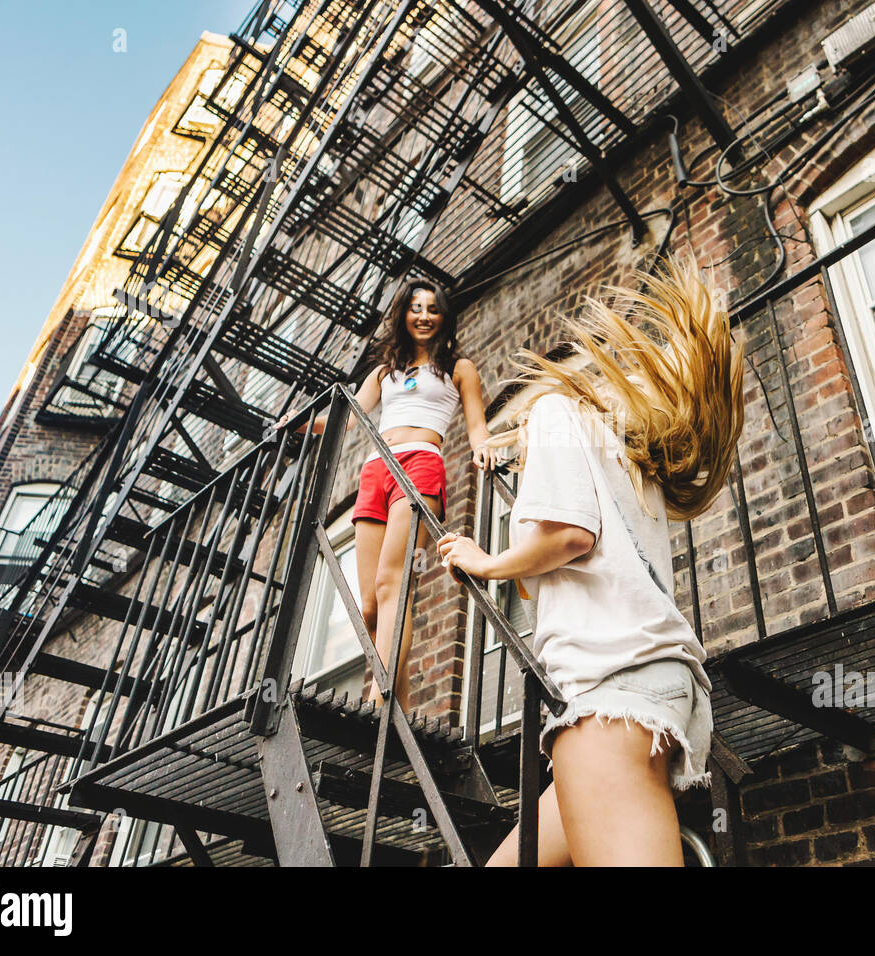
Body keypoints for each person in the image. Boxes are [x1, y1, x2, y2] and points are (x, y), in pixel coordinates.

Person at [437, 255, 745, 866]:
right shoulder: (634, 460)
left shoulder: (553, 413)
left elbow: (571, 536)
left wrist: (487, 561)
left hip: (610, 695)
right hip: (651, 688)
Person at [290, 279, 497, 709]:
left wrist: (483, 447)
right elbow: (346, 417)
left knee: (393, 584)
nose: (424, 316)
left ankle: (378, 701)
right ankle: (395, 699)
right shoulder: (384, 372)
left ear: (444, 317)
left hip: (421, 464)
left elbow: (477, 425)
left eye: (433, 308)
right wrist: (301, 422)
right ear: (404, 315)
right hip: (375, 471)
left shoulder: (459, 368)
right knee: (368, 606)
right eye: (415, 308)